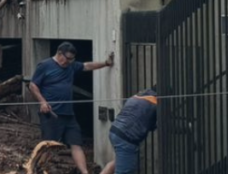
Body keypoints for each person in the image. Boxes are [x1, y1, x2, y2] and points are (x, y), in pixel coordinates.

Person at [29, 42, 114, 174]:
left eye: (72, 59)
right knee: (48, 146)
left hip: (69, 114)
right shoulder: (44, 65)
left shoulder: (71, 66)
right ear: (59, 53)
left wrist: (106, 63)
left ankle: (84, 172)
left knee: (76, 143)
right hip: (51, 113)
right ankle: (39, 170)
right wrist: (42, 102)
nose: (68, 62)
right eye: (67, 58)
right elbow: (33, 85)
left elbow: (87, 66)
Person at [102, 87, 157, 174]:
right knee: (124, 171)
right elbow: (155, 125)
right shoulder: (154, 102)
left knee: (118, 163)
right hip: (126, 138)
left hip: (115, 131)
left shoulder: (139, 96)